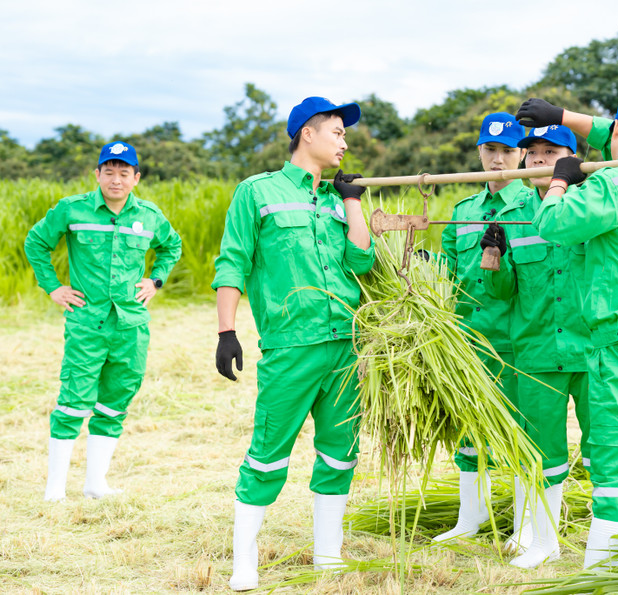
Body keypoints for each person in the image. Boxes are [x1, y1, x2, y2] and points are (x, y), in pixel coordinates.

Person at [212, 96, 375, 591]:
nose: (344, 142)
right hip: (290, 348)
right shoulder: (257, 193)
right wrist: (226, 330)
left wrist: (352, 203)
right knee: (268, 454)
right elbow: (232, 262)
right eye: (337, 132)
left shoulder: (336, 198)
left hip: (346, 345)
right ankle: (246, 562)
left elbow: (362, 263)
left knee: (340, 452)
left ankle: (328, 555)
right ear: (308, 133)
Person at [516, 93, 618, 569]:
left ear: (615, 132)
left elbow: (552, 224)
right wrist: (564, 119)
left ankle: (605, 574)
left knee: (613, 462)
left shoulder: (614, 185)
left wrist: (559, 182)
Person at [24, 141, 182, 502]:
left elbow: (172, 246)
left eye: (124, 173)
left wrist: (155, 281)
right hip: (86, 322)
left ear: (136, 178)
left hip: (131, 325)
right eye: (108, 172)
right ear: (97, 175)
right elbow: (36, 242)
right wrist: (52, 287)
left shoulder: (150, 215)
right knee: (73, 401)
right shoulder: (73, 209)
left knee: (115, 402)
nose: (116, 179)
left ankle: (96, 483)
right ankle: (54, 490)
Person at [480, 124, 591, 568]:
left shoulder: (590, 205)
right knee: (541, 451)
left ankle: (617, 538)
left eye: (551, 151)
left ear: (571, 158)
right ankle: (545, 542)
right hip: (536, 352)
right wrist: (493, 261)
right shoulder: (512, 213)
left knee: (605, 444)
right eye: (532, 153)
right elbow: (503, 293)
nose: (539, 159)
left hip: (589, 350)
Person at [432, 112, 534, 549]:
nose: (497, 160)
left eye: (507, 151)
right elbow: (449, 274)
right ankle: (470, 517)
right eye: (490, 150)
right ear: (478, 151)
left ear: (523, 154)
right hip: (469, 337)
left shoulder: (536, 207)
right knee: (469, 426)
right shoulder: (463, 211)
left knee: (522, 429)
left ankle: (529, 523)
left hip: (517, 337)